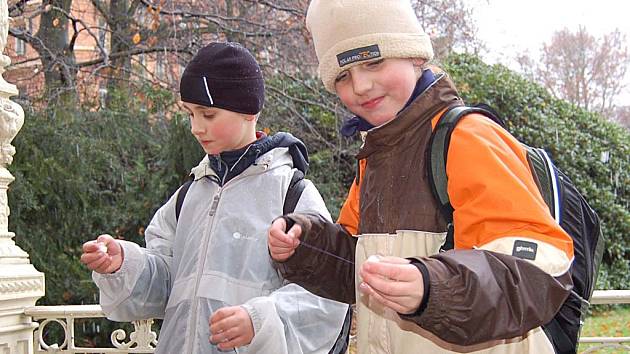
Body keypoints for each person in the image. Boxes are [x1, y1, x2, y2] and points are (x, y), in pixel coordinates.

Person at [267, 1, 574, 353]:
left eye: (373, 61)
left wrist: (432, 287)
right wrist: (305, 245)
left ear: (414, 55)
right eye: (342, 76)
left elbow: (536, 268)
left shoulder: (468, 136)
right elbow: (357, 268)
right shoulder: (375, 157)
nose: (361, 85)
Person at [81, 42, 349, 354]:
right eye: (190, 114)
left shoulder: (291, 193)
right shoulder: (189, 194)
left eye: (208, 114)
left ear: (249, 111)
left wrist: (258, 321)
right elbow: (164, 288)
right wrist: (124, 265)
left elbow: (326, 296)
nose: (196, 127)